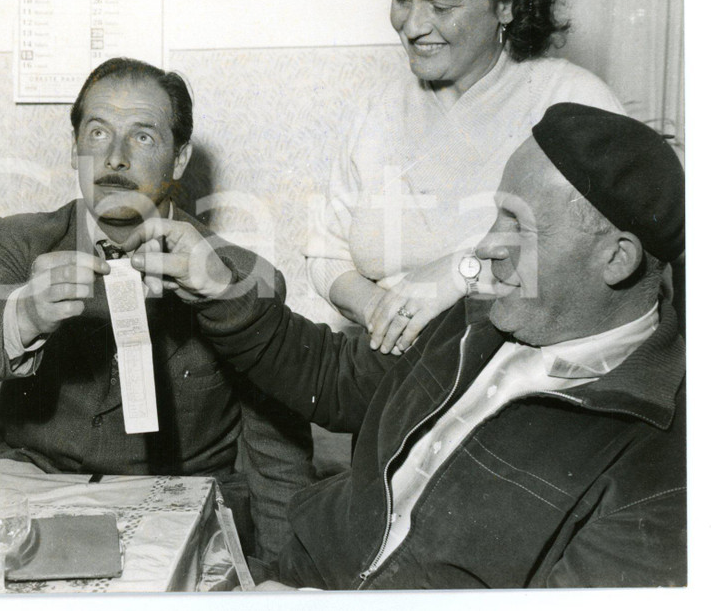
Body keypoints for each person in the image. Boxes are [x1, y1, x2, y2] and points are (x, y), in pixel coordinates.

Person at [124, 103, 685, 589]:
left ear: (616, 258)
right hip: (294, 574)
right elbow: (333, 381)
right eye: (496, 214)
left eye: (518, 225)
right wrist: (221, 290)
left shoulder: (664, 468)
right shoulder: (478, 319)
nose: (486, 248)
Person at [0, 57, 314, 561]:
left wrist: (284, 578)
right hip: (37, 485)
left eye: (143, 137)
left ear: (178, 159)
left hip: (178, 504)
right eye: (97, 133)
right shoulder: (21, 242)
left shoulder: (239, 276)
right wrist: (25, 315)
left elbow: (278, 461)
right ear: (74, 150)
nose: (114, 158)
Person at [305, 0, 624, 357]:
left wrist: (462, 272)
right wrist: (380, 308)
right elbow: (325, 254)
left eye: (440, 6)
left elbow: (602, 264)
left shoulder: (573, 102)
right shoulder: (372, 109)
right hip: (392, 375)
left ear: (506, 6)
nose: (412, 26)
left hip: (529, 385)